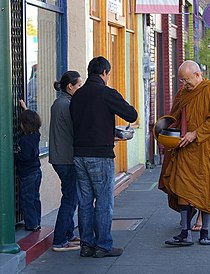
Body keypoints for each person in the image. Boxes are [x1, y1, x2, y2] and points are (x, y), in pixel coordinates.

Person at [70, 56, 138, 258]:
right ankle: (103, 246)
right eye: (108, 74)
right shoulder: (106, 93)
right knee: (103, 202)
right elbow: (131, 115)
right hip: (100, 155)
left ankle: (86, 245)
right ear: (104, 73)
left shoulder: (77, 95)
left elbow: (83, 122)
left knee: (84, 202)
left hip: (79, 155)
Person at [159, 60, 210, 246]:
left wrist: (195, 134)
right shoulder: (183, 94)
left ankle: (204, 231)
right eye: (182, 81)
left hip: (207, 146)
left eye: (187, 80)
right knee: (181, 184)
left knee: (207, 186)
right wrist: (163, 129)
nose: (184, 84)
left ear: (198, 75)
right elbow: (175, 117)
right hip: (185, 147)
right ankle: (184, 232)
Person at [49, 71, 83, 252]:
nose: (80, 89)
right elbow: (76, 129)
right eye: (78, 85)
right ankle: (60, 240)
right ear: (70, 86)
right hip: (66, 159)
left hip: (60, 157)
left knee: (70, 197)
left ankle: (68, 234)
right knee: (70, 199)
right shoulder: (66, 104)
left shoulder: (60, 102)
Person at [15, 102, 42, 232]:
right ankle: (37, 221)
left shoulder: (25, 140)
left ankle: (31, 224)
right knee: (35, 198)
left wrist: (15, 155)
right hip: (36, 171)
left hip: (27, 174)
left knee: (27, 199)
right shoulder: (36, 135)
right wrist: (26, 109)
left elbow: (25, 157)